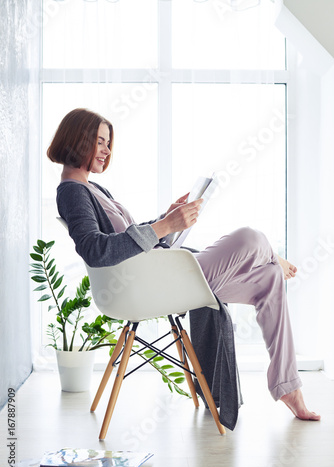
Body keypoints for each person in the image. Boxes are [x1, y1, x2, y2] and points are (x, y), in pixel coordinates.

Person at [50, 108, 320, 422]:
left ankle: (287, 385)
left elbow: (130, 239)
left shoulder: (94, 189)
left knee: (271, 278)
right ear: (78, 139)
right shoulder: (72, 192)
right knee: (250, 238)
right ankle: (272, 254)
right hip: (149, 286)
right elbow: (95, 250)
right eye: (100, 142)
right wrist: (164, 227)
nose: (107, 150)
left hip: (159, 274)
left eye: (108, 142)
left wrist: (166, 219)